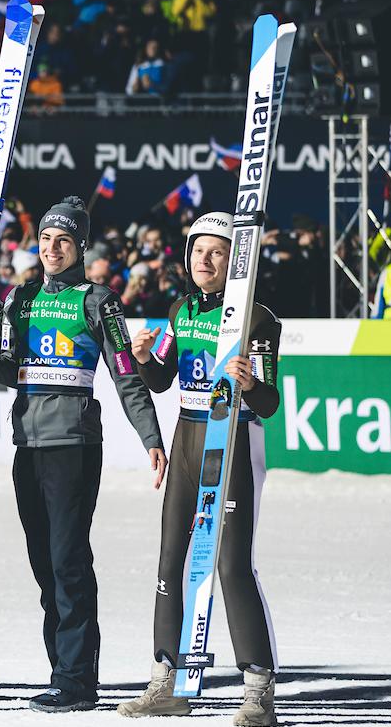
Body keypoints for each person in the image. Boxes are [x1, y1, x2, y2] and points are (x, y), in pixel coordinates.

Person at [0, 196, 167, 713]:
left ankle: (76, 679)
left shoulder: (98, 301)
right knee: (44, 564)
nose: (52, 248)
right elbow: (9, 369)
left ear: (80, 247)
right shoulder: (20, 299)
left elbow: (126, 376)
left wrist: (151, 438)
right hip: (29, 445)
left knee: (68, 561)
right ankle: (64, 669)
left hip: (74, 445)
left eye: (63, 240)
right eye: (46, 239)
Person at [119, 211, 282, 726]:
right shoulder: (180, 308)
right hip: (188, 438)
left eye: (216, 252)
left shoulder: (258, 317)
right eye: (197, 251)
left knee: (231, 567)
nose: (204, 260)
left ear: (236, 261)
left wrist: (252, 383)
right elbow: (164, 379)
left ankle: (257, 690)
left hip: (233, 440)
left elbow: (272, 402)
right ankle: (165, 680)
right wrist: (144, 359)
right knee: (172, 563)